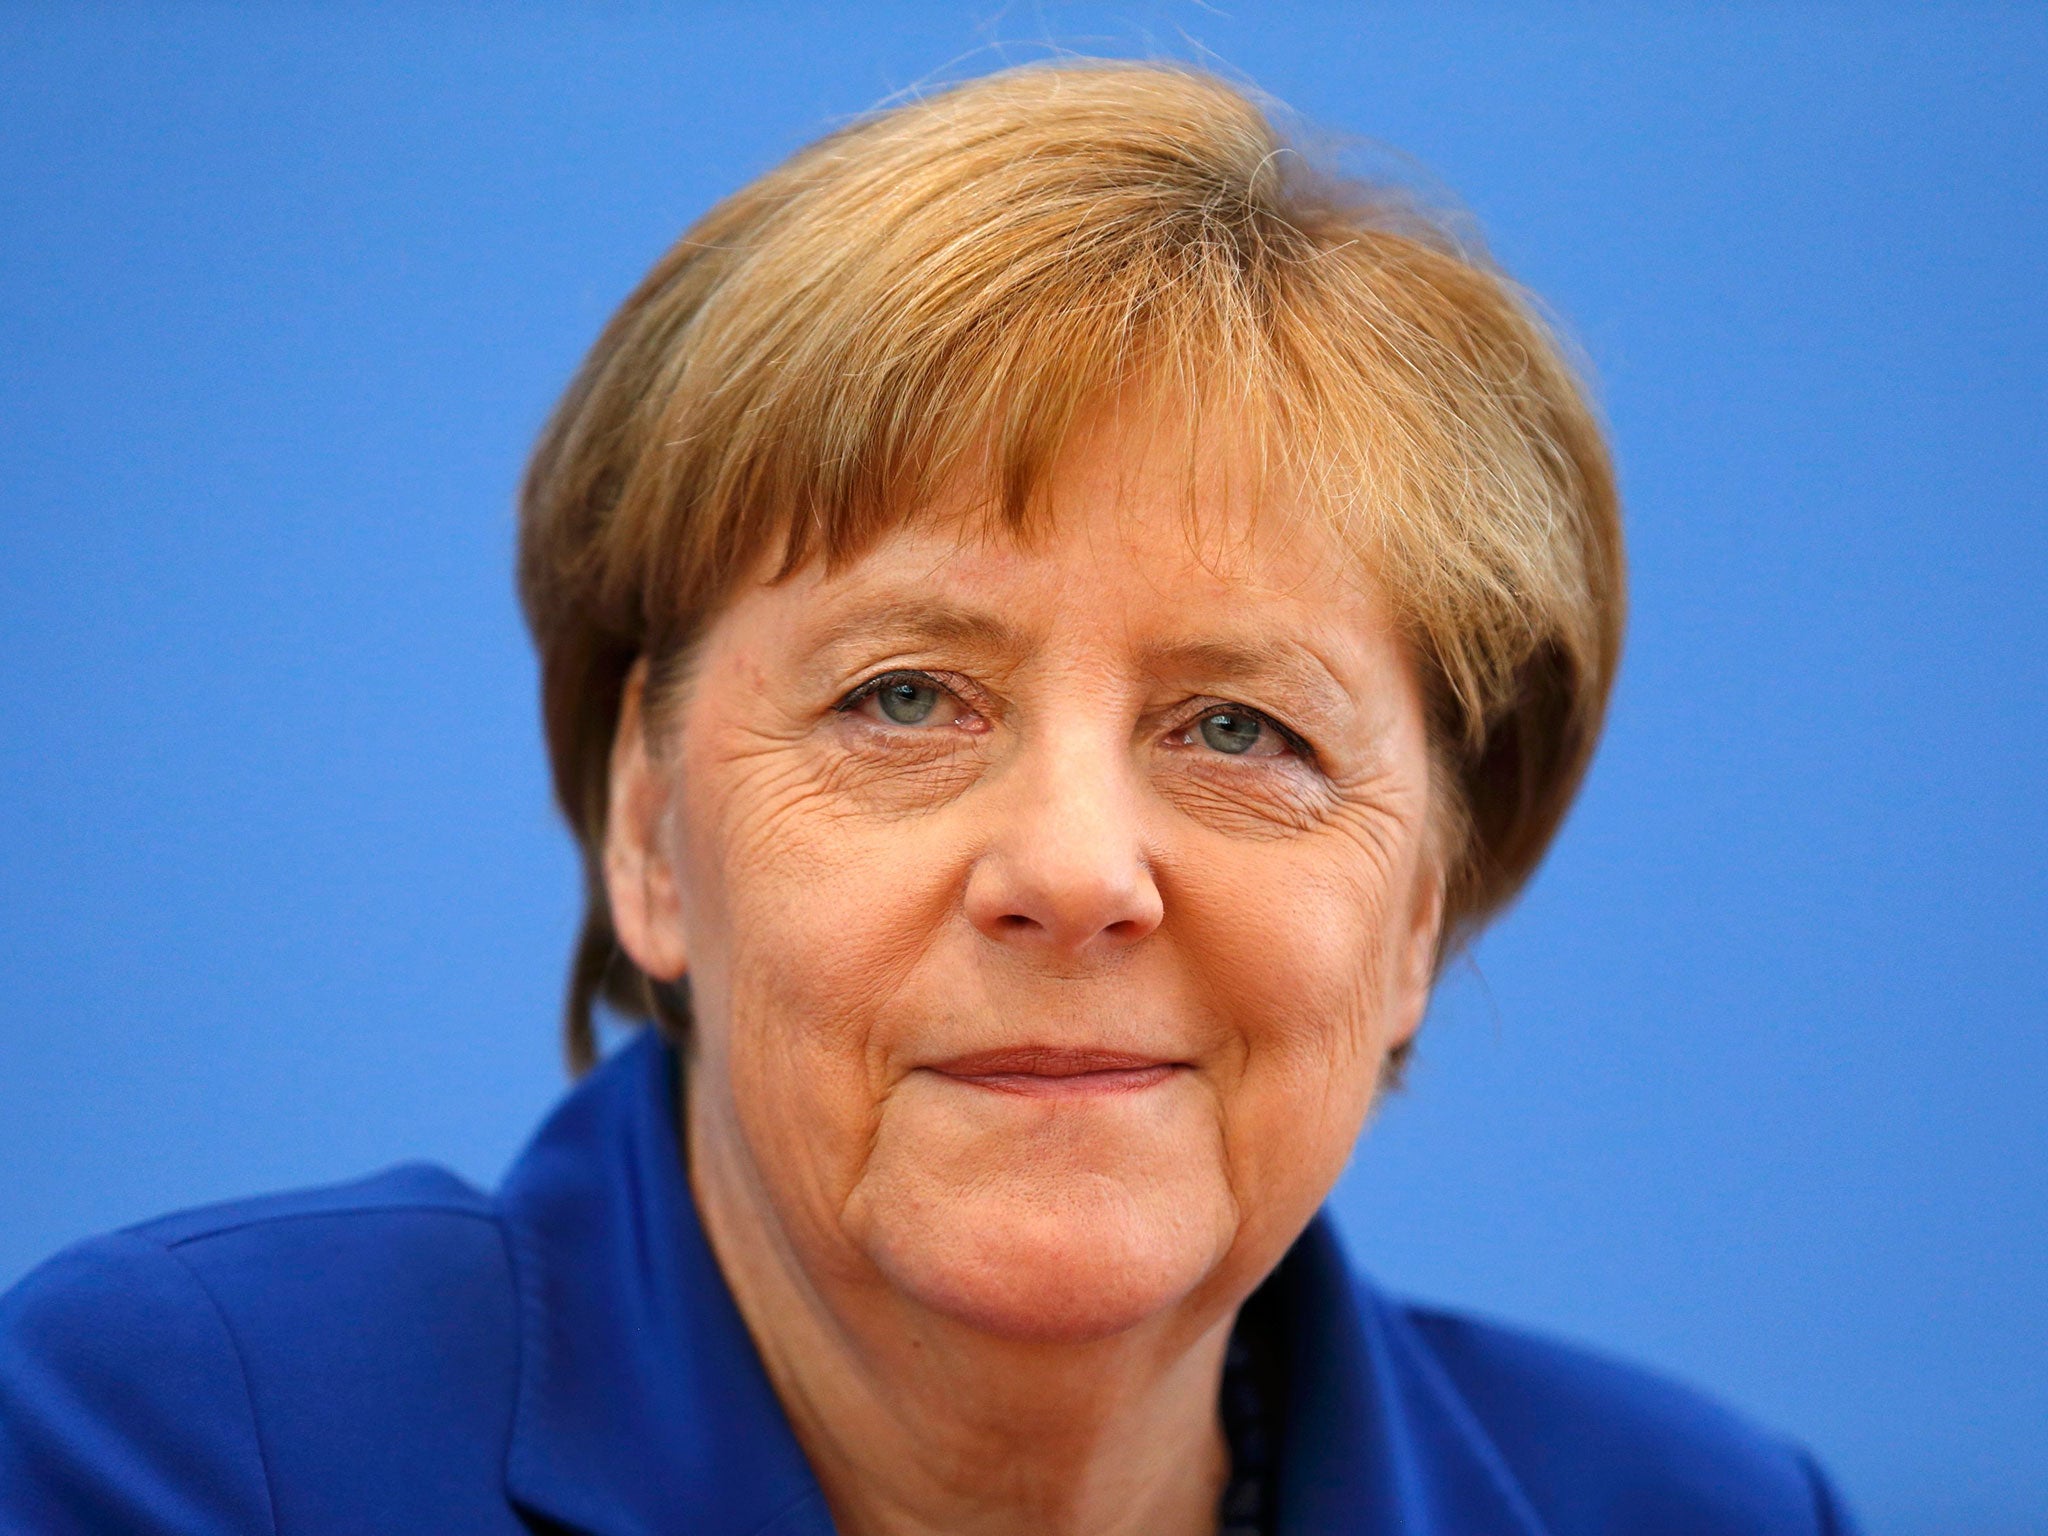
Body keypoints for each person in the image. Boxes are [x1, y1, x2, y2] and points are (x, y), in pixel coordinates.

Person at [0, 61, 1858, 1536]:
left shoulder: (1709, 1513)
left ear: (1422, 915)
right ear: (650, 835)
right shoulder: (193, 1446)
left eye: (1239, 731)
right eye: (905, 697)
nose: (1071, 868)